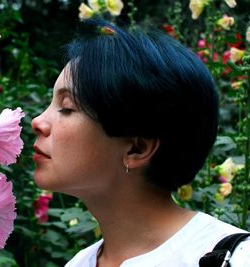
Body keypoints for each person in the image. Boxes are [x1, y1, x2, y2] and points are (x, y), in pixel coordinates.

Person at [31, 19, 250, 267]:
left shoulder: (235, 258)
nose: (38, 122)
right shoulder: (79, 263)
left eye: (67, 107)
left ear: (137, 148)